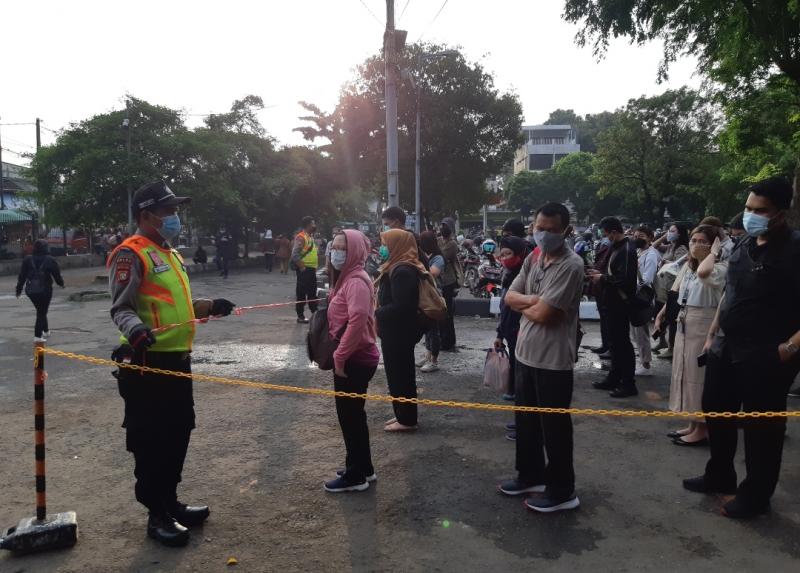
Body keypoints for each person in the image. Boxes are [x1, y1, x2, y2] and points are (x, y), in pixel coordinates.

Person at [107, 181, 235, 546]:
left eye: (175, 210)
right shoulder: (131, 254)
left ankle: (170, 501)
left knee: (180, 430)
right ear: (146, 215)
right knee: (151, 439)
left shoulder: (170, 254)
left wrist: (209, 307)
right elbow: (121, 308)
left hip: (178, 361)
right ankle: (156, 514)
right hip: (147, 362)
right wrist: (136, 332)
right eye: (168, 211)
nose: (175, 217)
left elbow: (176, 309)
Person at [683, 177, 800, 518]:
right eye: (748, 208)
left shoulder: (795, 249)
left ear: (781, 213)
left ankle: (756, 496)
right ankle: (719, 475)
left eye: (760, 211)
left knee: (761, 430)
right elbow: (730, 292)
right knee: (716, 411)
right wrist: (714, 333)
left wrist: (789, 349)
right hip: (726, 346)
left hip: (768, 354)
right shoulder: (744, 244)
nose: (751, 215)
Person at [498, 202, 585, 513]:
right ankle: (530, 475)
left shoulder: (571, 265)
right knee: (526, 423)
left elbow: (546, 315)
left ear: (565, 231)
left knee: (554, 429)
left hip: (553, 360)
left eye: (551, 230)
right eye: (539, 227)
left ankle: (562, 490)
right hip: (525, 353)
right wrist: (533, 300)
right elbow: (508, 296)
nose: (543, 234)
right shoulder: (535, 257)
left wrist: (530, 303)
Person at [655, 225, 727, 446]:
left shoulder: (720, 268)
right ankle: (693, 422)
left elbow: (706, 274)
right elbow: (676, 292)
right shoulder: (690, 266)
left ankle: (703, 427)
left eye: (702, 241)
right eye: (693, 240)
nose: (695, 244)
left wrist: (714, 253)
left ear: (713, 243)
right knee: (684, 372)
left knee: (700, 377)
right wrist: (662, 313)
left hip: (704, 323)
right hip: (686, 321)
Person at [323, 229, 381, 493]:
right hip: (356, 356)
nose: (336, 252)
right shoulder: (348, 278)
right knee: (354, 416)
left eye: (342, 248)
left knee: (350, 417)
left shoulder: (356, 280)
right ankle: (363, 467)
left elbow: (357, 320)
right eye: (334, 247)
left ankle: (355, 475)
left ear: (355, 250)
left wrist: (340, 355)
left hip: (354, 359)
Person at [376, 229, 424, 432]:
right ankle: (402, 415)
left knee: (400, 375)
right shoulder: (399, 266)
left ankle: (406, 419)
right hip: (398, 332)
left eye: (386, 243)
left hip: (398, 333)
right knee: (399, 374)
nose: (382, 248)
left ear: (397, 245)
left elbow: (401, 307)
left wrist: (377, 312)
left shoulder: (402, 271)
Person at [587, 217, 639, 397]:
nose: (605, 237)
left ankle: (628, 383)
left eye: (606, 234)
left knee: (622, 344)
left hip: (620, 304)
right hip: (611, 302)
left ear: (615, 232)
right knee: (615, 344)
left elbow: (625, 280)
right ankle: (614, 378)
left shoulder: (626, 249)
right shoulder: (617, 247)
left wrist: (602, 278)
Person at [494, 236, 527, 437]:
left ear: (519, 254)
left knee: (524, 381)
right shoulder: (509, 273)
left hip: (522, 332)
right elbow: (505, 308)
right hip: (510, 331)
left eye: (508, 254)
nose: (504, 258)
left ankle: (526, 424)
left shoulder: (524, 274)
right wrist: (500, 333)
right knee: (518, 380)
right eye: (502, 254)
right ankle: (521, 420)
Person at [15, 239, 65, 341]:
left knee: (41, 310)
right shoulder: (50, 259)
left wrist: (18, 290)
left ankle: (46, 331)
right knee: (42, 311)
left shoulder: (27, 259)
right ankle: (37, 336)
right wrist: (61, 284)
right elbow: (56, 275)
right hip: (45, 290)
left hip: (31, 291)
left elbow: (22, 276)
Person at [631, 225, 661, 377]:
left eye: (641, 236)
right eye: (635, 236)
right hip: (635, 297)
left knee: (641, 332)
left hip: (643, 297)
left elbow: (647, 279)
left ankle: (646, 365)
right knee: (635, 332)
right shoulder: (638, 252)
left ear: (650, 237)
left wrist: (632, 286)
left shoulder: (651, 255)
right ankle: (642, 360)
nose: (637, 238)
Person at [416, 231, 445, 373]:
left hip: (434, 296)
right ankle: (427, 356)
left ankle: (434, 360)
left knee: (433, 329)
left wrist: (421, 263)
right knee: (427, 328)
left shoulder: (438, 257)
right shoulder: (425, 256)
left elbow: (433, 273)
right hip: (424, 296)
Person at [438, 218, 461, 351]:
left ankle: (449, 341)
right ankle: (442, 339)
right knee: (440, 312)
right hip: (439, 280)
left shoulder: (452, 244)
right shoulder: (439, 240)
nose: (442, 228)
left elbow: (441, 256)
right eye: (441, 226)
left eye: (445, 226)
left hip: (448, 281)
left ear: (450, 228)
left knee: (447, 313)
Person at [291, 216, 319, 324]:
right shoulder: (301, 237)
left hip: (311, 270)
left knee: (312, 293)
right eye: (313, 223)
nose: (314, 226)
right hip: (304, 270)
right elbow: (295, 255)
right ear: (307, 225)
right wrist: (302, 267)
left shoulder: (310, 237)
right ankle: (300, 316)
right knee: (301, 293)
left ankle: (315, 313)